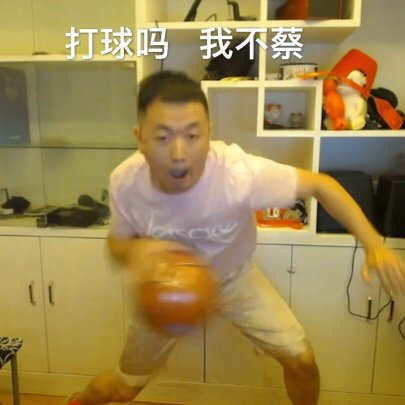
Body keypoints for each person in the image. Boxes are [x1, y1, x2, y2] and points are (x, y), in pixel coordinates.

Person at [66, 70, 405, 405]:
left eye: (192, 135)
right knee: (124, 388)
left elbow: (321, 185)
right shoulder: (126, 182)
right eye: (163, 137)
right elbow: (116, 244)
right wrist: (136, 253)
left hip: (234, 278)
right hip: (164, 285)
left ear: (209, 133)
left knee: (302, 363)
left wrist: (373, 243)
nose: (179, 153)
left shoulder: (238, 173)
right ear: (140, 138)